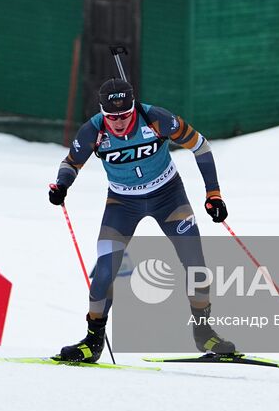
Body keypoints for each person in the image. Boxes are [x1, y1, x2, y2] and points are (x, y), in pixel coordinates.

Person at [48, 77, 236, 362]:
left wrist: (214, 194)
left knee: (196, 264)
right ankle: (93, 341)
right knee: (105, 271)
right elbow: (70, 163)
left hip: (169, 197)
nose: (120, 122)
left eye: (125, 115)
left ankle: (204, 333)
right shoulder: (94, 130)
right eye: (112, 117)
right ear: (102, 112)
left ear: (134, 107)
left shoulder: (157, 119)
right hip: (122, 204)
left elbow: (201, 146)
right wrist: (62, 184)